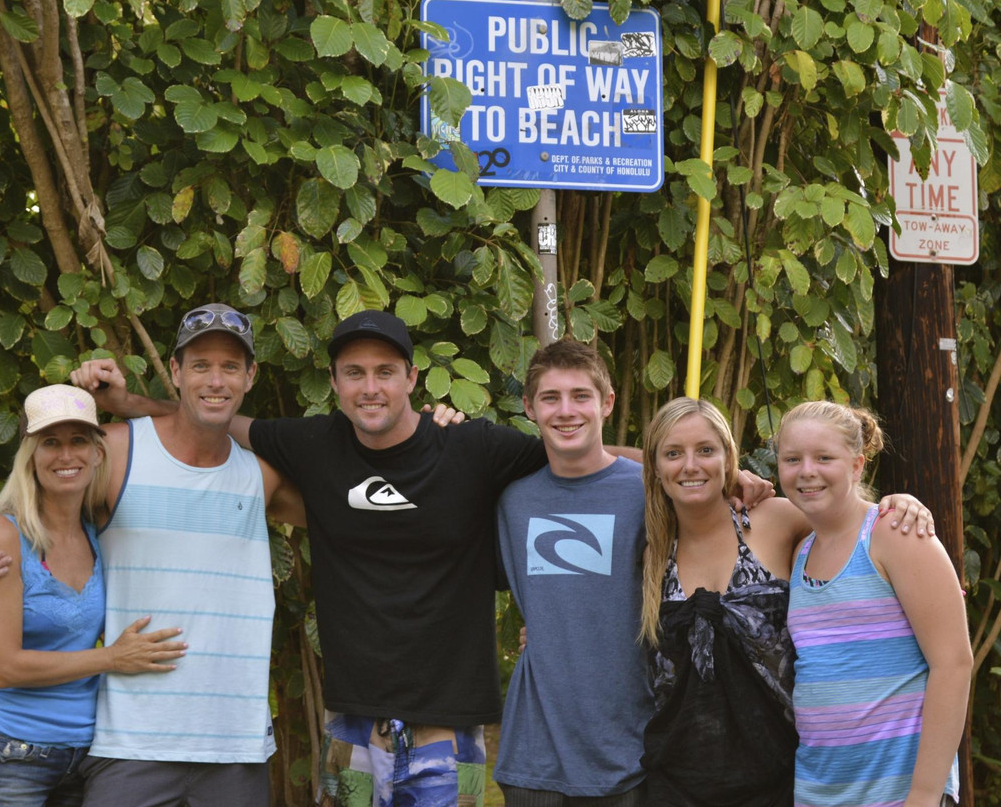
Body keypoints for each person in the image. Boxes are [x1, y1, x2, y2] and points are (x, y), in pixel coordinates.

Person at [57, 311, 691, 806]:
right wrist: (130, 405)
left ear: (411, 379)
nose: (369, 387)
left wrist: (700, 473)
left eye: (385, 371)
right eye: (353, 373)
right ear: (333, 384)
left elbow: (584, 454)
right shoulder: (313, 442)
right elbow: (209, 420)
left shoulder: (473, 448)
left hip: (451, 726)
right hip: (352, 725)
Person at [0, 303, 307, 807]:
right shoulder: (115, 450)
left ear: (250, 375)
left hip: (234, 743)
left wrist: (427, 439)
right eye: (200, 366)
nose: (215, 379)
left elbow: (350, 514)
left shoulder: (260, 473)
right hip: (128, 743)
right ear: (175, 371)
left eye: (230, 366)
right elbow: (36, 505)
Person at [638, 397, 935, 807]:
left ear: (729, 458)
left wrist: (899, 504)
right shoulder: (650, 547)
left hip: (782, 780)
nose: (690, 465)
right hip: (674, 784)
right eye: (673, 453)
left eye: (706, 450)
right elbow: (590, 461)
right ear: (654, 465)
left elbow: (848, 518)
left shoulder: (777, 519)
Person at [0, 384, 185, 807]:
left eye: (78, 440)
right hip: (11, 755)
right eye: (51, 443)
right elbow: (5, 668)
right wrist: (113, 658)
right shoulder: (2, 537)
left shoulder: (99, 530)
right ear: (31, 456)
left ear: (98, 452)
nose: (66, 456)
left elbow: (183, 430)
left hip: (87, 758)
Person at [779, 401, 971, 807]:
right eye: (792, 459)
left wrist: (924, 795)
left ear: (856, 465)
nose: (806, 471)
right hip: (819, 792)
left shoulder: (894, 534)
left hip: (899, 794)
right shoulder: (800, 551)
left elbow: (953, 664)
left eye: (824, 457)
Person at [493, 339, 651, 806]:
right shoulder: (511, 500)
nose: (566, 411)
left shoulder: (651, 491)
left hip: (631, 749)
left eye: (581, 396)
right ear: (529, 407)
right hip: (533, 756)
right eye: (550, 397)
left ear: (606, 403)